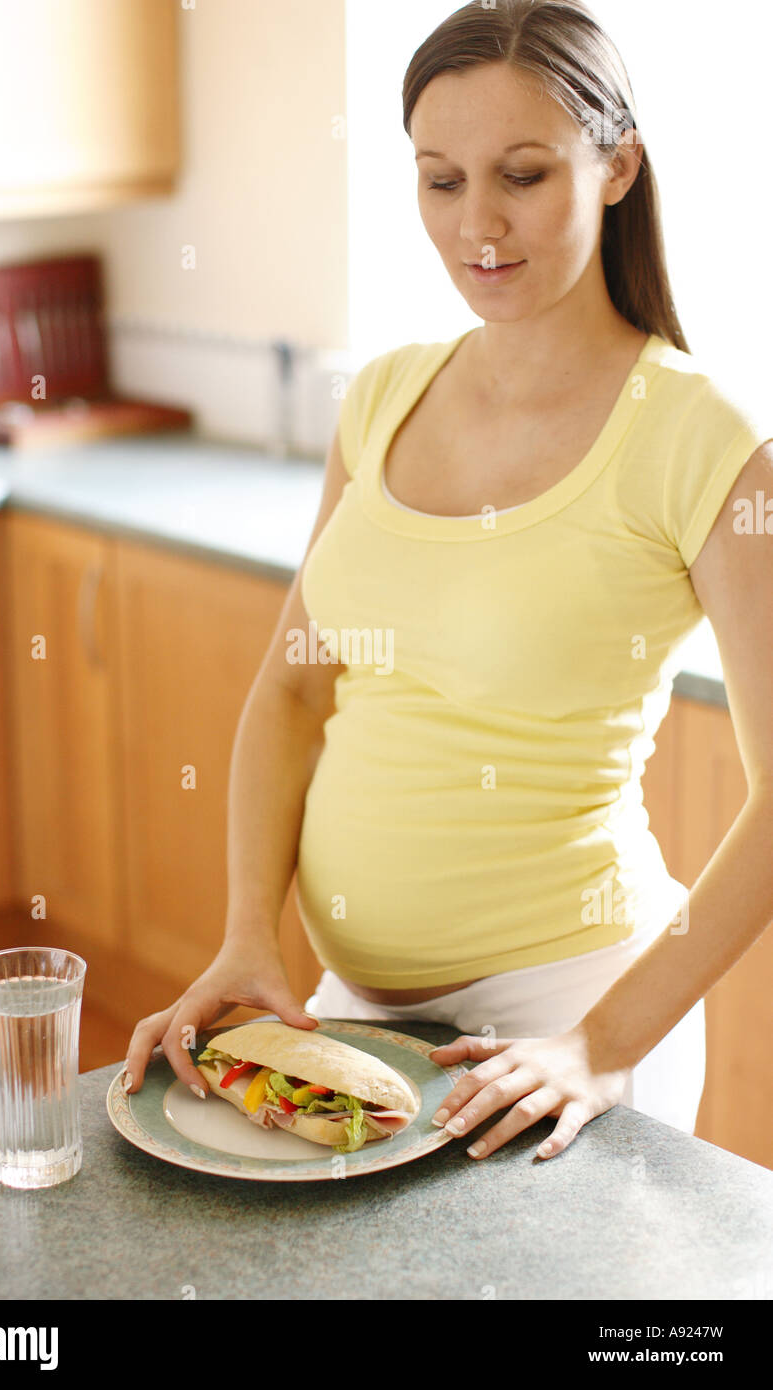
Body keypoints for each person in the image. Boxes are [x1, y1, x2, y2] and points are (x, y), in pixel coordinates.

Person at [124, 0, 773, 1163]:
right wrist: (246, 940)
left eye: (522, 174)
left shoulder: (699, 438)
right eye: (439, 179)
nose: (477, 223)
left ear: (615, 165)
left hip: (563, 1019)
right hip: (352, 1014)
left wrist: (602, 1041)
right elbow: (290, 692)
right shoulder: (381, 398)